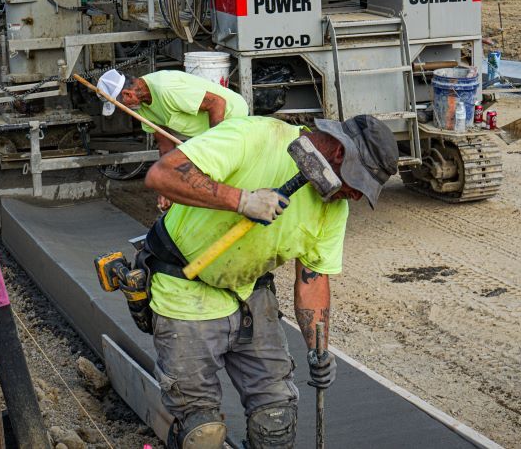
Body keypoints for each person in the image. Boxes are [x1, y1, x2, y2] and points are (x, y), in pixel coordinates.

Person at [141, 114, 399, 448]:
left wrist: (318, 350)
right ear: (338, 152)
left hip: (251, 294)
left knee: (275, 422)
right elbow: (162, 174)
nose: (356, 197)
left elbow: (313, 278)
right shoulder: (256, 136)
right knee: (201, 433)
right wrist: (242, 200)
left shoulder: (332, 207)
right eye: (357, 184)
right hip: (185, 288)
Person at [96, 68, 249, 209]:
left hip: (231, 115)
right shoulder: (141, 108)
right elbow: (165, 146)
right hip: (202, 130)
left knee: (225, 171)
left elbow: (217, 103)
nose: (125, 110)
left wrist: (216, 146)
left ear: (128, 94)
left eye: (122, 105)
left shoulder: (165, 89)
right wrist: (166, 186)